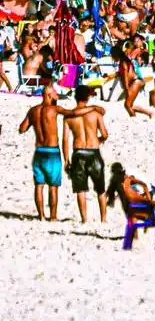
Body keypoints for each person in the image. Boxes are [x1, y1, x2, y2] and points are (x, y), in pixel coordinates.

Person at [60, 85, 109, 223]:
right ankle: (103, 219)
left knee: (80, 189)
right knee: (100, 188)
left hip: (78, 152)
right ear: (88, 97)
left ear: (75, 97)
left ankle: (84, 219)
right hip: (93, 151)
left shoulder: (68, 116)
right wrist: (97, 141)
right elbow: (105, 134)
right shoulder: (95, 114)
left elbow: (65, 139)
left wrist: (66, 160)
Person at [19, 83, 63, 220]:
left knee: (39, 185)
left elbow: (22, 128)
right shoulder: (54, 109)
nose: (57, 95)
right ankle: (53, 217)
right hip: (53, 152)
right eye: (55, 93)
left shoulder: (33, 111)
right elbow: (72, 113)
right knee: (53, 186)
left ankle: (42, 216)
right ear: (49, 94)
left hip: (39, 151)